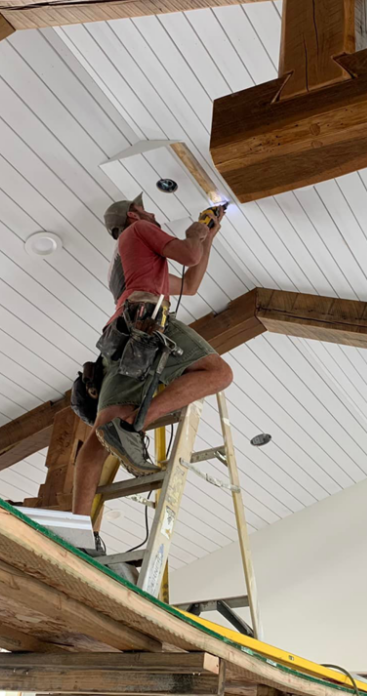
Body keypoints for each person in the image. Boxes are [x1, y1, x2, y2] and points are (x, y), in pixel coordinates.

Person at [72, 194, 233, 528]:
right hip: (145, 320)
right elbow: (189, 255)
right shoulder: (139, 230)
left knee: (102, 428)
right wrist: (195, 232)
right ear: (133, 215)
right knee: (218, 372)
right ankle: (133, 425)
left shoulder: (130, 261)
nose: (152, 214)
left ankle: (76, 525)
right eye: (145, 210)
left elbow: (189, 285)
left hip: (120, 336)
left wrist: (208, 237)